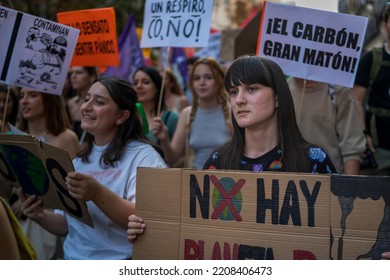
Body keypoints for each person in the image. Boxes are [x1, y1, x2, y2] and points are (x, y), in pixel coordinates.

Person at [128, 56, 337, 241]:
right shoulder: (217, 162)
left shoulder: (313, 161)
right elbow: (194, 230)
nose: (239, 100)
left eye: (251, 89)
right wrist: (149, 227)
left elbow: (341, 233)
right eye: (234, 91)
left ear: (277, 98)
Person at [21, 76, 167, 260]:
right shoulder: (78, 162)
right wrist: (39, 216)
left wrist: (97, 193)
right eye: (86, 99)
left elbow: (147, 220)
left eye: (99, 102)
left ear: (121, 116)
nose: (86, 107)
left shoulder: (144, 157)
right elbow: (66, 225)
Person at [17, 88, 81, 259]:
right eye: (21, 96)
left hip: (55, 221)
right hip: (20, 217)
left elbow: (76, 188)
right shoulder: (13, 137)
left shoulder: (66, 138)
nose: (24, 101)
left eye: (32, 95)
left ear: (48, 100)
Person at [151, 57, 232, 169]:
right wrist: (164, 139)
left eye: (208, 77)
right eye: (196, 78)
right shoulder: (186, 114)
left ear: (219, 80)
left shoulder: (233, 111)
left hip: (227, 183)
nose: (202, 83)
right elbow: (172, 159)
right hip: (196, 182)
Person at [288, 78, 366, 174]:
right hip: (288, 178)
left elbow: (351, 147)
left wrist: (348, 186)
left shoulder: (339, 92)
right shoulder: (281, 89)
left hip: (330, 178)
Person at [353, 4, 390, 175]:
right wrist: (363, 134)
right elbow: (357, 99)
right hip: (379, 149)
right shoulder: (371, 59)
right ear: (384, 25)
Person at [133, 65, 179, 148]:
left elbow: (177, 159)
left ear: (157, 88)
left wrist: (164, 140)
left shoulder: (171, 118)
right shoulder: (126, 116)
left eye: (146, 82)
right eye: (135, 83)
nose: (138, 86)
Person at [66, 66, 99, 140]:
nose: (73, 76)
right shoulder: (69, 103)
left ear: (92, 77)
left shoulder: (98, 106)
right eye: (71, 73)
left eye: (79, 72)